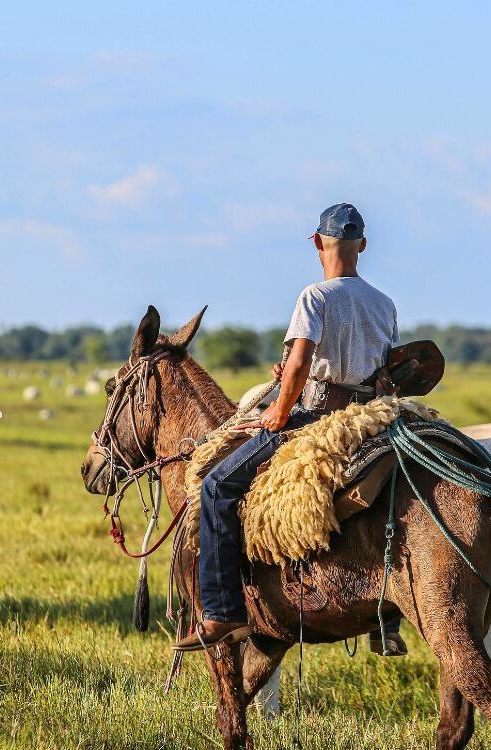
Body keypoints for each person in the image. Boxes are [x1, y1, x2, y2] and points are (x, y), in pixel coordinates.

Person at [173, 203, 406, 654]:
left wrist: (279, 410)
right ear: (363, 246)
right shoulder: (385, 303)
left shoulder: (314, 297)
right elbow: (382, 369)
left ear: (318, 243)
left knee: (217, 486)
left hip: (318, 417)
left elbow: (301, 363)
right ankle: (386, 619)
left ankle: (222, 613)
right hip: (368, 418)